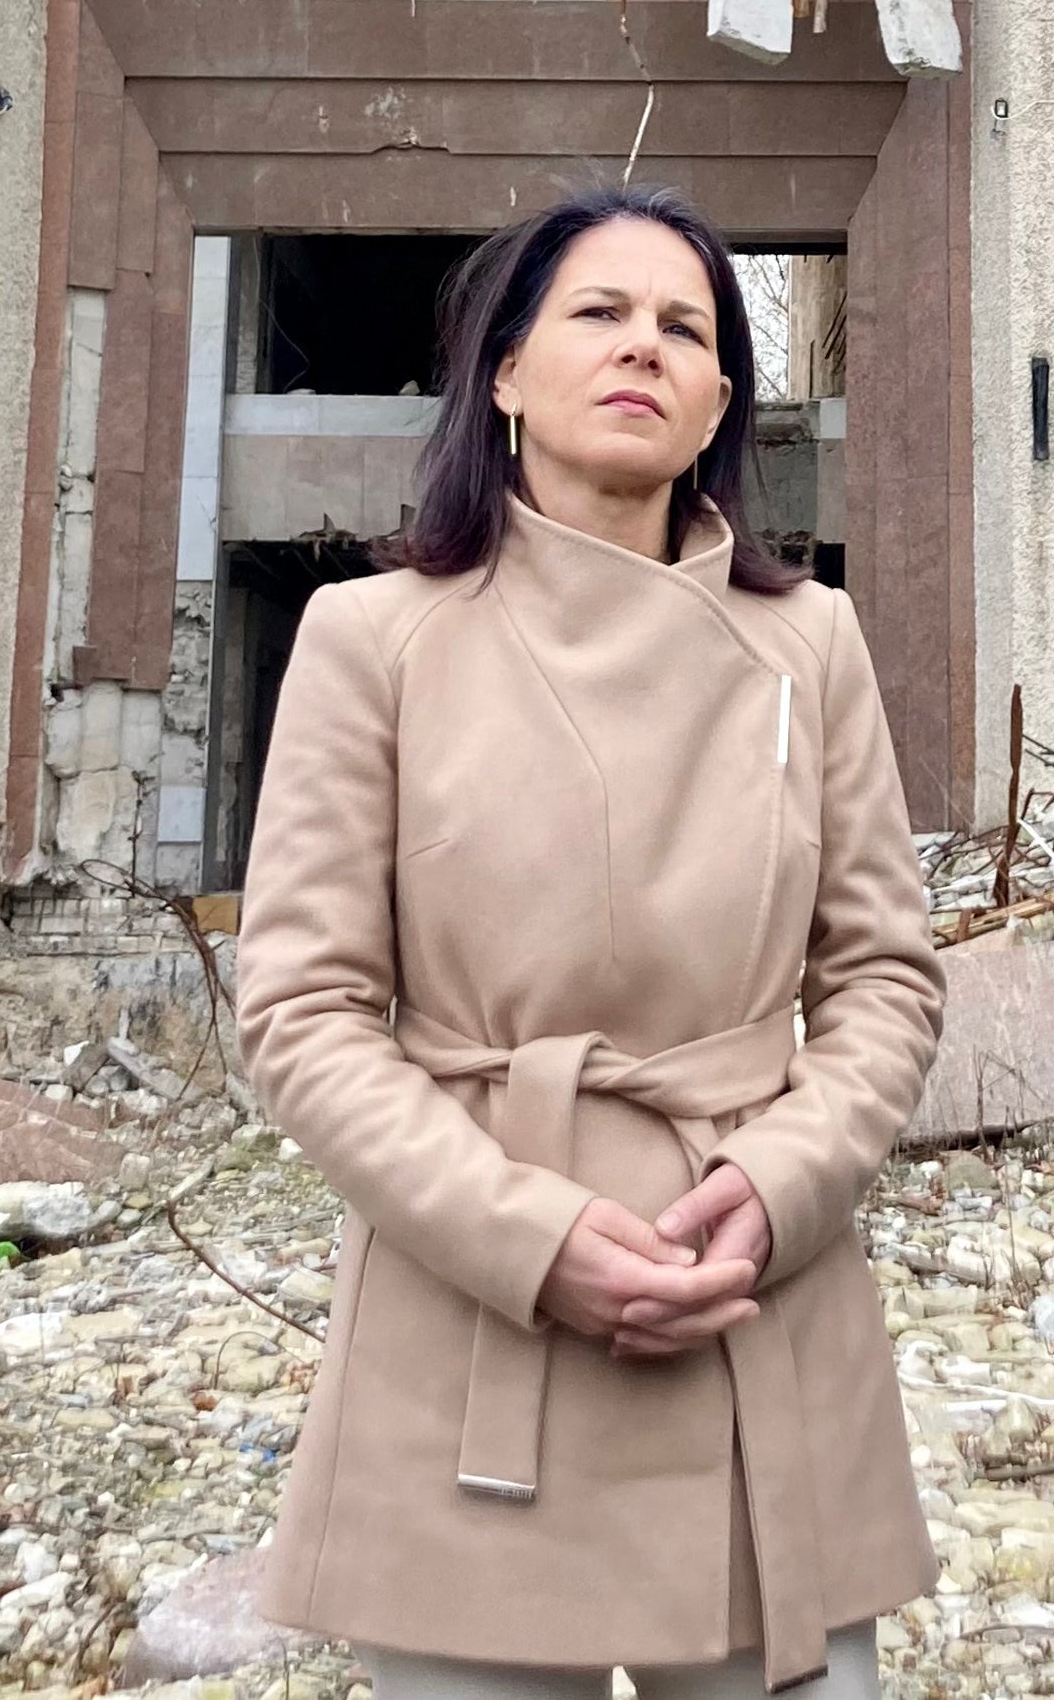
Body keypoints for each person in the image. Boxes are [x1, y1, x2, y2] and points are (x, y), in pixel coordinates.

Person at [235, 188, 946, 1699]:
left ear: (718, 405)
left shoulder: (807, 641)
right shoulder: (373, 637)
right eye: (599, 313)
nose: (645, 347)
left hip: (753, 1286)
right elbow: (302, 1008)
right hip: (472, 1309)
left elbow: (883, 975)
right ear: (499, 372)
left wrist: (780, 1181)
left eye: (686, 327)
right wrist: (527, 1236)